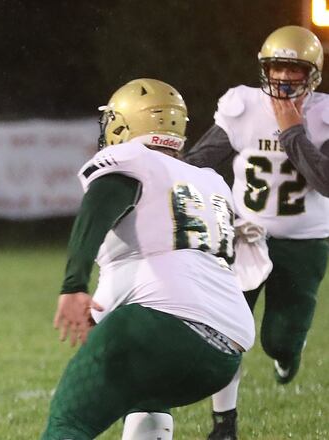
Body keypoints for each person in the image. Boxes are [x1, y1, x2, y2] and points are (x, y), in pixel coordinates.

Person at [41, 78, 255, 440]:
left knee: (68, 423)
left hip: (162, 325)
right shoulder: (210, 180)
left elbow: (100, 203)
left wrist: (74, 285)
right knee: (145, 390)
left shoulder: (131, 159)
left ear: (124, 125)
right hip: (226, 349)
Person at [184, 25, 329, 440]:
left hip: (304, 243)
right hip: (245, 236)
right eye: (276, 67)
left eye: (293, 68)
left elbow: (326, 181)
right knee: (225, 331)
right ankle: (224, 425)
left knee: (278, 341)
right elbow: (201, 161)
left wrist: (292, 132)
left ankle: (289, 353)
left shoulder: (323, 116)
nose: (283, 77)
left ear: (313, 74)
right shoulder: (243, 106)